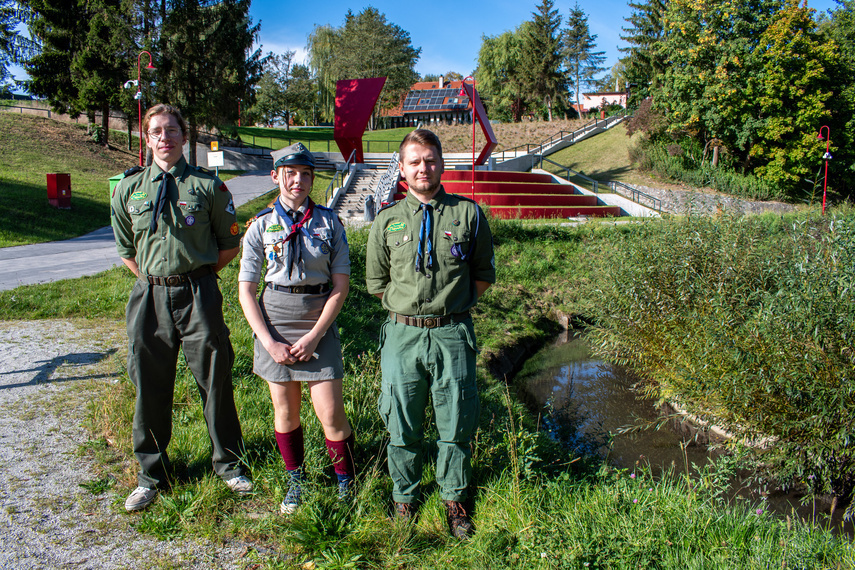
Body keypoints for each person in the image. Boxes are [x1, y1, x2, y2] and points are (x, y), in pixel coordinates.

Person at [111, 103, 251, 512]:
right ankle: (151, 475)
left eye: (172, 130)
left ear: (184, 137)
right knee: (149, 386)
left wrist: (194, 277)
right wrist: (157, 278)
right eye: (156, 131)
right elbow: (126, 250)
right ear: (146, 137)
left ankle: (230, 465)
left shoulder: (209, 187)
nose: (164, 138)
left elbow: (228, 245)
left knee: (215, 379)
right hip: (149, 296)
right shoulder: (127, 189)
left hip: (198, 294)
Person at [365, 129, 496, 539]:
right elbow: (377, 281)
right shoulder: (386, 221)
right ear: (402, 168)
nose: (424, 168)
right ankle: (405, 498)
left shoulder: (468, 215)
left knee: (455, 421)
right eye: (415, 161)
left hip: (452, 334)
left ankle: (453, 500)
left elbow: (483, 274)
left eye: (431, 159)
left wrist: (447, 307)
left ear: (442, 163)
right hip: (402, 336)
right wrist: (411, 311)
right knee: (401, 422)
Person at [238, 142, 355, 515]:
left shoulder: (329, 222)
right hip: (275, 319)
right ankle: (296, 479)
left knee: (331, 412)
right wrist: (268, 341)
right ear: (276, 176)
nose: (299, 181)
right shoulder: (260, 225)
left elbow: (341, 287)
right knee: (285, 411)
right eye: (291, 173)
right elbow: (246, 291)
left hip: (317, 319)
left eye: (306, 174)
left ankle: (345, 482)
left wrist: (316, 334)